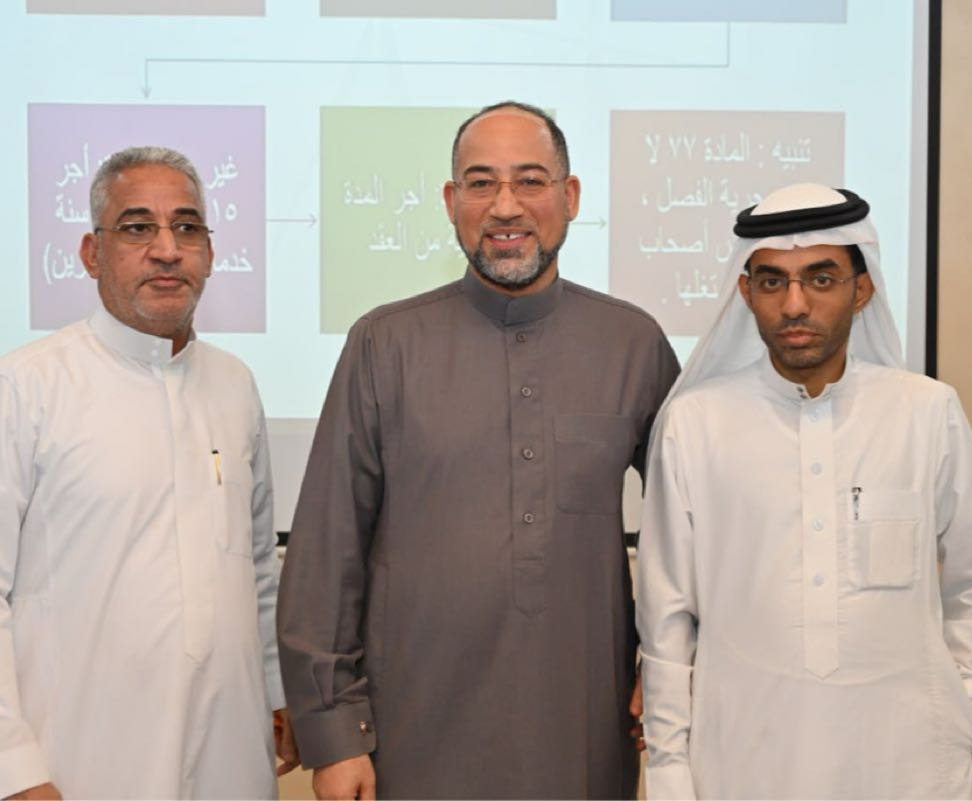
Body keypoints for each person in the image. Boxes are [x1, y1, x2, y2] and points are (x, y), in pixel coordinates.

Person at [277, 101, 680, 799]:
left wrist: (673, 665)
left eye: (530, 181)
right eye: (481, 183)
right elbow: (325, 550)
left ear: (570, 196)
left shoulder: (632, 344)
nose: (505, 206)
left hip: (581, 733)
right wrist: (334, 734)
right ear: (450, 201)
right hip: (411, 738)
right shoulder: (384, 344)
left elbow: (697, 526)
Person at [0, 146, 297, 799]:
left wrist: (275, 689)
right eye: (137, 227)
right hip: (75, 760)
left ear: (210, 253)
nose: (166, 250)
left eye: (187, 228)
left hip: (230, 754)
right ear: (93, 253)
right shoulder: (22, 387)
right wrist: (11, 773)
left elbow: (257, 567)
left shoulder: (234, 385)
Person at [635, 183, 972, 799]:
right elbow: (666, 617)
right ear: (746, 293)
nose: (794, 304)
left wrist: (964, 706)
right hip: (740, 764)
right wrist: (671, 767)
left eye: (820, 279)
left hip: (909, 766)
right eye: (772, 282)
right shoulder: (697, 424)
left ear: (860, 290)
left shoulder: (925, 413)